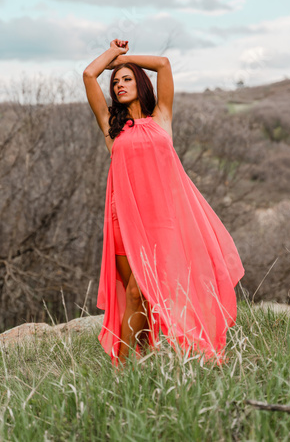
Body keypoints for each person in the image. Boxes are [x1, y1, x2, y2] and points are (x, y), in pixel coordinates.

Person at [82, 39, 245, 367]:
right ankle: (131, 366)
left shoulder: (161, 117)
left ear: (140, 84)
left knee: (153, 290)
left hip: (162, 223)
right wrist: (112, 58)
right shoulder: (111, 129)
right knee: (136, 296)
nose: (118, 84)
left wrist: (124, 59)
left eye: (127, 79)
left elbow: (164, 64)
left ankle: (136, 365)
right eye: (115, 82)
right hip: (123, 221)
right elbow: (89, 74)